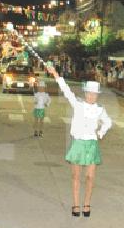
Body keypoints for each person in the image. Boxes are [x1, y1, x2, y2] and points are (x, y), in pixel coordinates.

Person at [46, 65, 111, 218]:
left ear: (97, 95)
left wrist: (101, 132)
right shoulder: (78, 104)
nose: (91, 96)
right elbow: (66, 90)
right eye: (89, 93)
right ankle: (75, 204)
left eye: (94, 94)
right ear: (86, 93)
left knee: (90, 177)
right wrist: (55, 73)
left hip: (91, 145)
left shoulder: (100, 109)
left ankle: (87, 203)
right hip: (78, 143)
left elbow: (108, 122)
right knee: (76, 176)